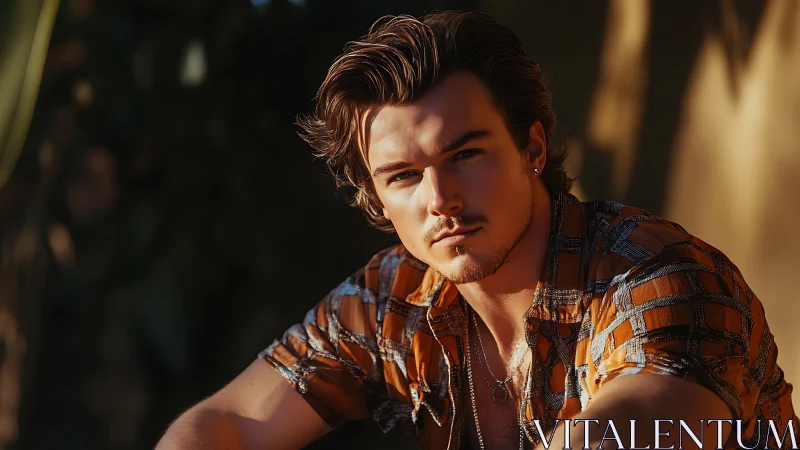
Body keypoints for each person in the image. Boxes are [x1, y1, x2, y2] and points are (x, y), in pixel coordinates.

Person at [156, 10, 798, 450]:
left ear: (532, 148)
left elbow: (626, 427)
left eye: (465, 154)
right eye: (404, 176)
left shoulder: (659, 277)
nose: (440, 200)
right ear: (377, 200)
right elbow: (228, 421)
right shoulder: (394, 298)